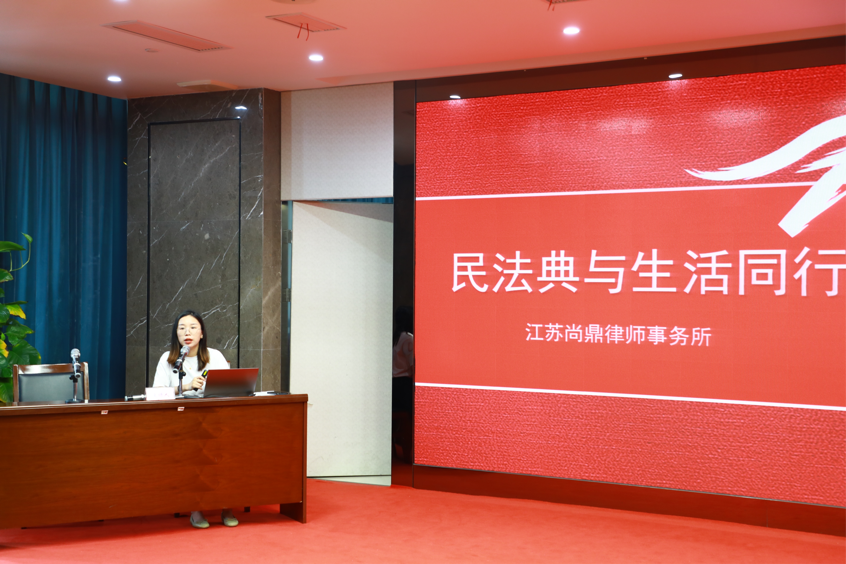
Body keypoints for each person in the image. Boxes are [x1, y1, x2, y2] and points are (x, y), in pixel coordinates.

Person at [152, 309, 237, 529]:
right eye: (182, 328)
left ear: (202, 333)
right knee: (193, 452)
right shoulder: (168, 359)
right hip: (182, 420)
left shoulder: (215, 356)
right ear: (176, 334)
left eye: (192, 327)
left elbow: (231, 388)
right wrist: (186, 387)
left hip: (215, 416)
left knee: (227, 450)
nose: (187, 332)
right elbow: (155, 394)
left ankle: (227, 504)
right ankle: (196, 509)